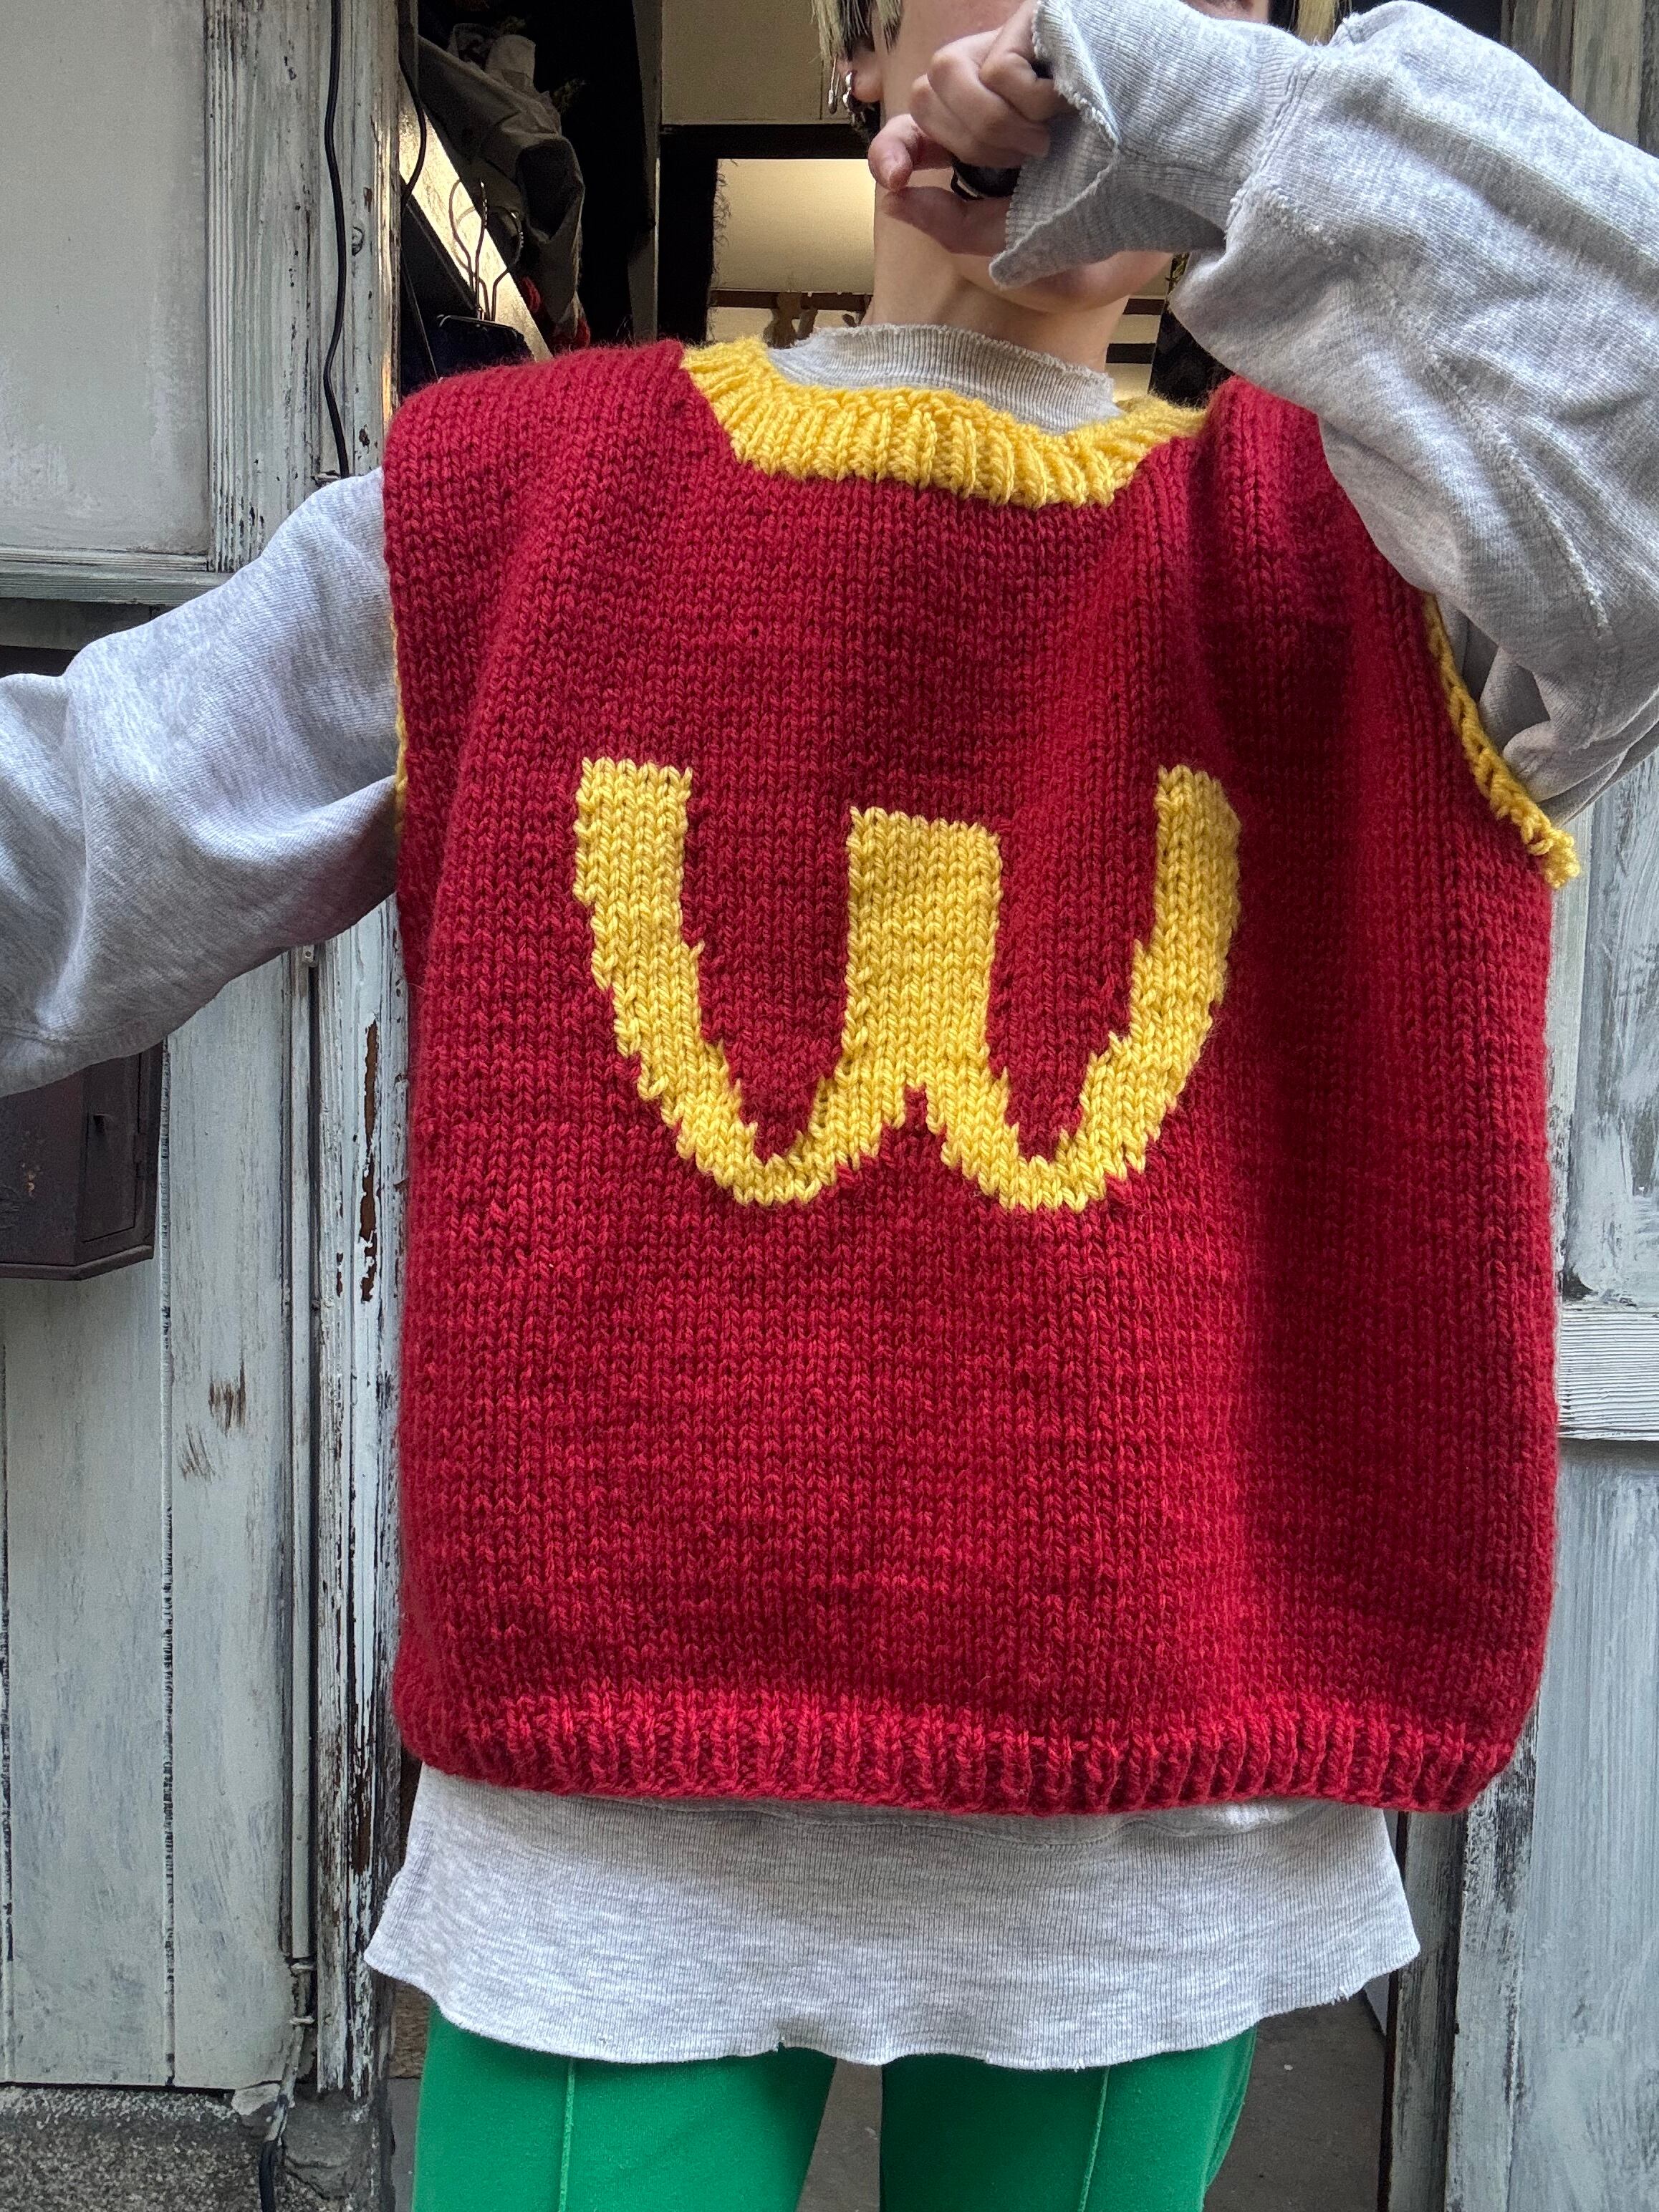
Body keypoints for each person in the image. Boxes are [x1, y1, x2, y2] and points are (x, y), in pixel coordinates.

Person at [2, 2, 1655, 2206]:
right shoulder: (512, 500)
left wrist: (1218, 120)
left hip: (1150, 1813)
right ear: (857, 51)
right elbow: (81, 839)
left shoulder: (1389, 563)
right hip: (614, 1804)